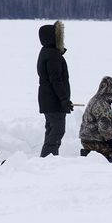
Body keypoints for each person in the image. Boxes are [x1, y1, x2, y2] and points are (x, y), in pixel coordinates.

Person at [36, 20, 72, 157]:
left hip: (48, 99)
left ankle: (49, 159)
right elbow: (56, 80)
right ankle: (47, 158)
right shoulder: (52, 55)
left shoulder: (46, 51)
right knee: (57, 130)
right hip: (54, 100)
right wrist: (64, 99)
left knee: (51, 129)